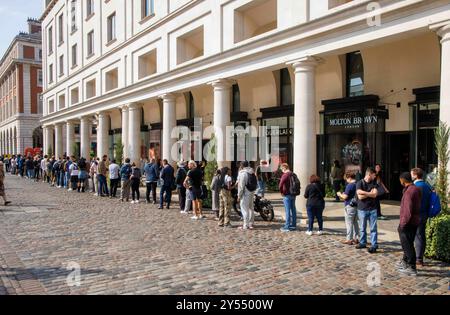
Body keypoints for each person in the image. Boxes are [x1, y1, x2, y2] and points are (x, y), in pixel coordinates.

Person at [396, 172, 421, 276]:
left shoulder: (410, 191)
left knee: (407, 245)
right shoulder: (415, 188)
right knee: (408, 243)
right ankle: (406, 262)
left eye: (400, 180)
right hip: (413, 221)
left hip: (408, 222)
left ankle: (411, 267)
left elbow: (407, 210)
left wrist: (402, 224)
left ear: (403, 180)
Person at [355, 167, 379, 254]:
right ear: (369, 174)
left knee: (373, 228)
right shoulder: (359, 183)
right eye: (374, 175)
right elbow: (359, 196)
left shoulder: (374, 183)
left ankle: (374, 245)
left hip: (373, 209)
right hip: (362, 209)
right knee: (362, 228)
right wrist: (370, 193)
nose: (375, 176)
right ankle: (362, 243)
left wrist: (364, 193)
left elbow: (375, 195)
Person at [411, 168, 431, 267]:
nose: (411, 176)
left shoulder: (415, 186)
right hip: (424, 214)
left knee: (416, 236)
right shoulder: (427, 186)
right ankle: (420, 256)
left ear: (415, 175)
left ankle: (418, 258)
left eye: (412, 174)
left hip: (416, 215)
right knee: (421, 235)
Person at [337, 172, 359, 245]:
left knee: (349, 223)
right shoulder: (358, 184)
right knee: (355, 222)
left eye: (346, 179)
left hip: (349, 206)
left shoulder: (350, 185)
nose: (346, 181)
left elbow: (345, 197)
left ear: (349, 178)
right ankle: (357, 238)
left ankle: (349, 239)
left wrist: (339, 194)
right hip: (356, 205)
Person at [237, 161, 257, 230]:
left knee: (244, 208)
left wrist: (239, 196)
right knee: (251, 207)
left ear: (242, 166)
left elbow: (241, 186)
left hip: (245, 192)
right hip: (252, 191)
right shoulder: (252, 172)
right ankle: (251, 223)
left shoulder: (243, 173)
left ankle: (246, 225)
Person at [279, 163, 298, 233]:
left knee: (287, 211)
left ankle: (287, 227)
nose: (282, 171)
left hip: (287, 195)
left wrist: (281, 192)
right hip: (293, 194)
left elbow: (280, 184)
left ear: (284, 168)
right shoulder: (293, 174)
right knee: (293, 210)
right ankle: (293, 225)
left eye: (281, 169)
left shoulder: (285, 175)